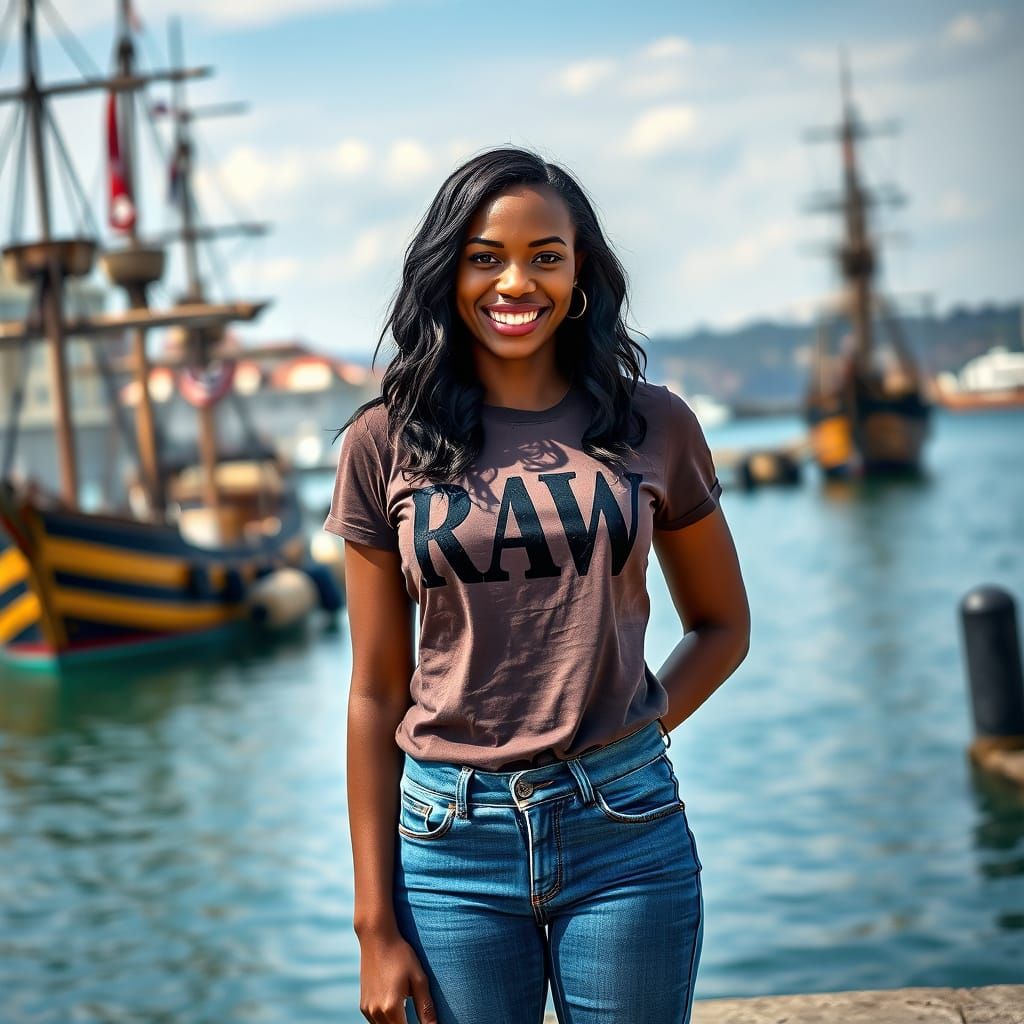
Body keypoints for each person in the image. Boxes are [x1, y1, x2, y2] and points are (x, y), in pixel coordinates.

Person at [325, 146, 750, 1024]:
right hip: (449, 849)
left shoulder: (653, 424)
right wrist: (374, 925)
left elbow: (721, 625)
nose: (516, 282)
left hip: (626, 834)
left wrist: (630, 728)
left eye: (544, 256)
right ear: (448, 272)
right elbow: (374, 692)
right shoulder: (381, 443)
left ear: (579, 271)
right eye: (486, 257)